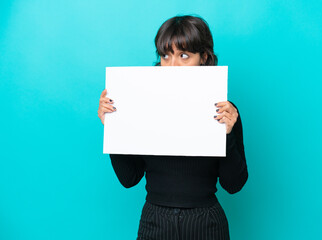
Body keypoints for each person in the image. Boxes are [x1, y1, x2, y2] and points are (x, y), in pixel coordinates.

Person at [97, 15, 248, 240]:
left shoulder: (225, 111)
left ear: (203, 58)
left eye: (184, 55)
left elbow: (234, 184)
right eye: (166, 56)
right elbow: (129, 178)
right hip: (154, 221)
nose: (172, 65)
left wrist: (226, 134)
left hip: (205, 224)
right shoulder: (142, 106)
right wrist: (113, 126)